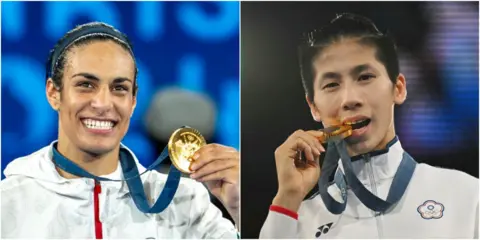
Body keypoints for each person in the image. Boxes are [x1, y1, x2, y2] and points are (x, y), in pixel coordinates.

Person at [1, 22, 239, 239]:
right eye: (86, 85)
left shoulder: (185, 203)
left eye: (119, 88)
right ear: (54, 93)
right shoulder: (8, 204)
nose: (103, 103)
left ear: (133, 101)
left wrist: (238, 207)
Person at [260, 13, 478, 239]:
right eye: (332, 84)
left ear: (398, 88)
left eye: (364, 77)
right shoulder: (297, 221)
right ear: (314, 107)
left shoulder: (467, 195)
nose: (349, 99)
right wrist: (287, 197)